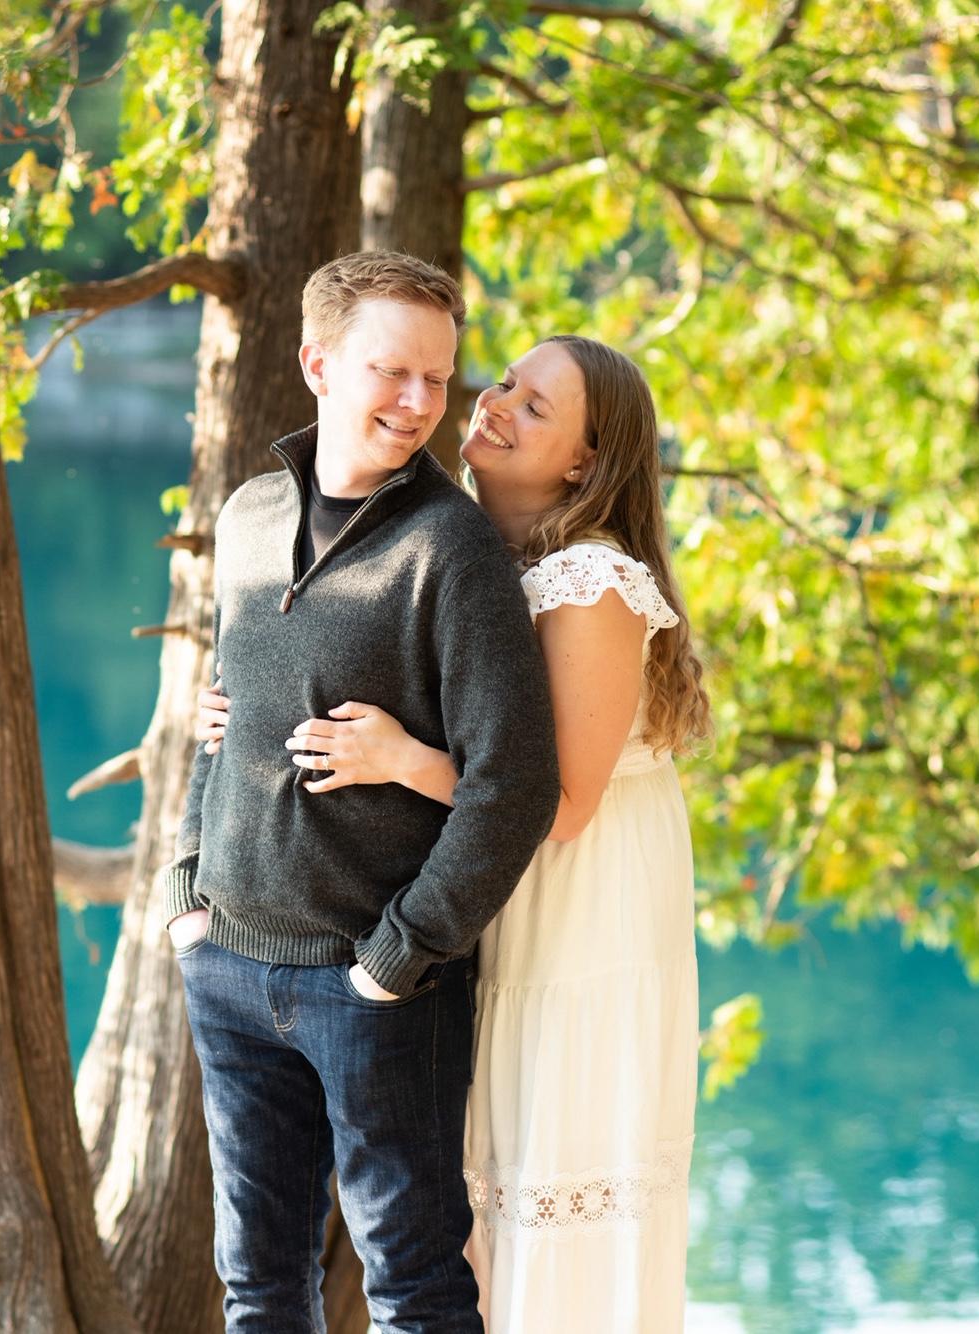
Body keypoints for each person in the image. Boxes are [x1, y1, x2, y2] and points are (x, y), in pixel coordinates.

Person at [198, 334, 710, 1331]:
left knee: (553, 1179)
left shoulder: (590, 581)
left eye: (534, 406)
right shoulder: (464, 546)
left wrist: (399, 759)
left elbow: (562, 803)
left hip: (577, 911)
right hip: (490, 892)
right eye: (506, 381)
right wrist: (242, 717)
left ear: (584, 463)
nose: (494, 402)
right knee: (474, 1199)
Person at [161, 251, 561, 1334]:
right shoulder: (248, 515)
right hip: (227, 964)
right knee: (257, 1288)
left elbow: (516, 785)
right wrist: (187, 891)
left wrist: (399, 954)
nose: (421, 402)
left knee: (414, 1291)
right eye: (394, 371)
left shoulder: (453, 548)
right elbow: (221, 715)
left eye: (438, 377)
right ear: (318, 365)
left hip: (375, 985)